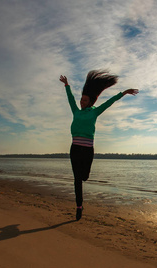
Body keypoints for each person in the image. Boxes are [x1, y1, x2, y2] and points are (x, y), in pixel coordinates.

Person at [59, 70, 138, 220]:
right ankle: (79, 206)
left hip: (88, 149)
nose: (81, 102)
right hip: (75, 148)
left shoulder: (94, 113)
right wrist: (67, 85)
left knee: (85, 177)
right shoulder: (76, 111)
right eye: (81, 100)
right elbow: (70, 99)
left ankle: (81, 192)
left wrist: (124, 93)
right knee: (77, 179)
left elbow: (109, 102)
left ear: (90, 102)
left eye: (84, 100)